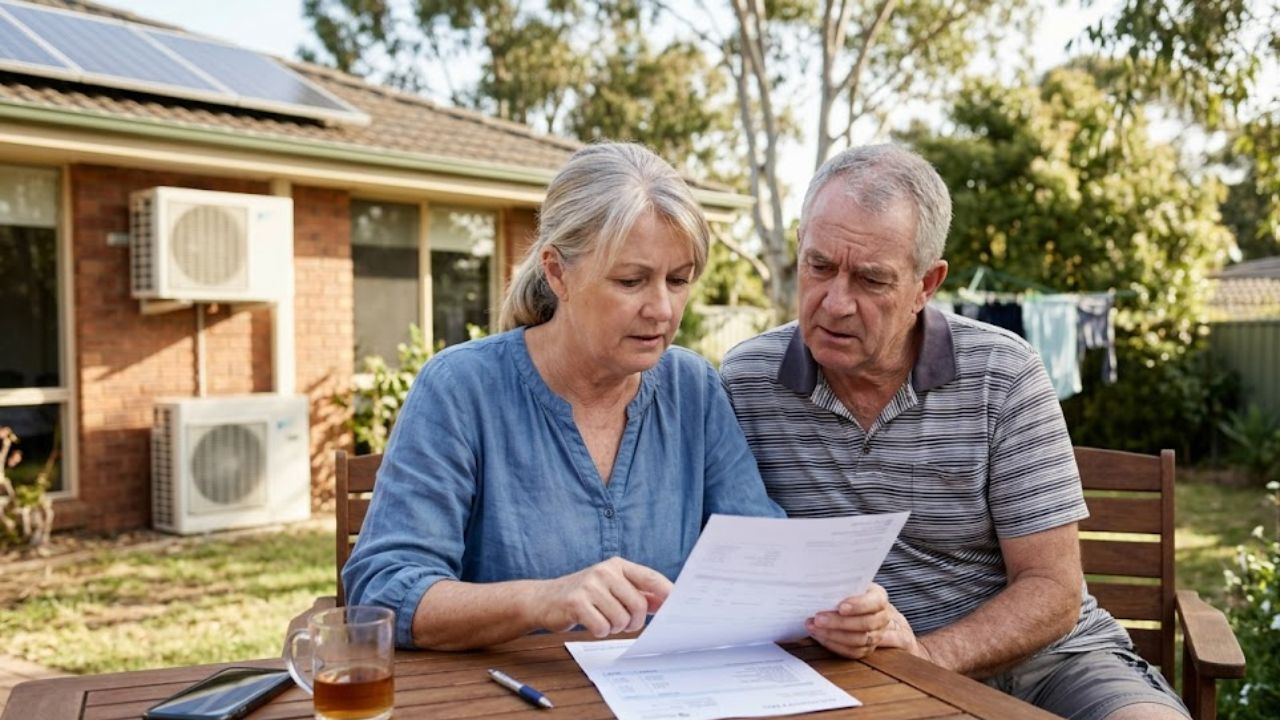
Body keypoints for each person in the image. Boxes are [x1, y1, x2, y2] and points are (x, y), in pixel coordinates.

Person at [721, 144, 1188, 720]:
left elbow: (1054, 589)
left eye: (871, 280)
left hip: (1050, 664)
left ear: (927, 283)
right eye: (819, 266)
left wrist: (924, 656)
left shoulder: (1003, 372)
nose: (836, 303)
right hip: (851, 676)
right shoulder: (746, 382)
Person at [344, 142, 784, 651]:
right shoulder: (460, 389)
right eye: (631, 280)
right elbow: (383, 591)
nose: (662, 309)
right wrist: (541, 600)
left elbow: (761, 553)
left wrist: (830, 602)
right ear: (556, 272)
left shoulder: (694, 389)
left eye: (678, 280)